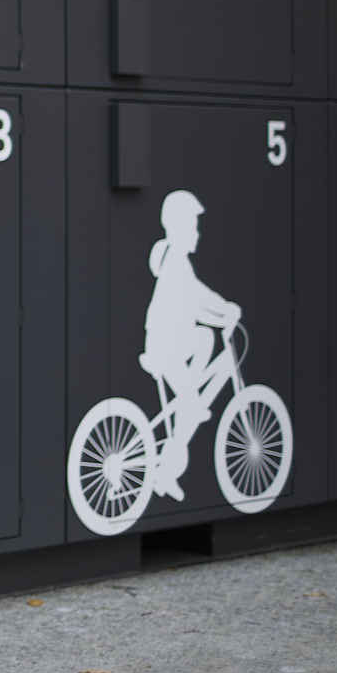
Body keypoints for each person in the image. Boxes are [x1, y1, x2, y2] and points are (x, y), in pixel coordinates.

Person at [141, 189, 239, 502]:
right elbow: (194, 300)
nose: (197, 232)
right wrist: (224, 311)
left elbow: (197, 295)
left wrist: (221, 308)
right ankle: (189, 403)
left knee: (204, 339)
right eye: (194, 225)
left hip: (172, 343)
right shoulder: (176, 266)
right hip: (164, 348)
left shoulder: (176, 260)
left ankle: (167, 470)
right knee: (190, 402)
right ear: (179, 227)